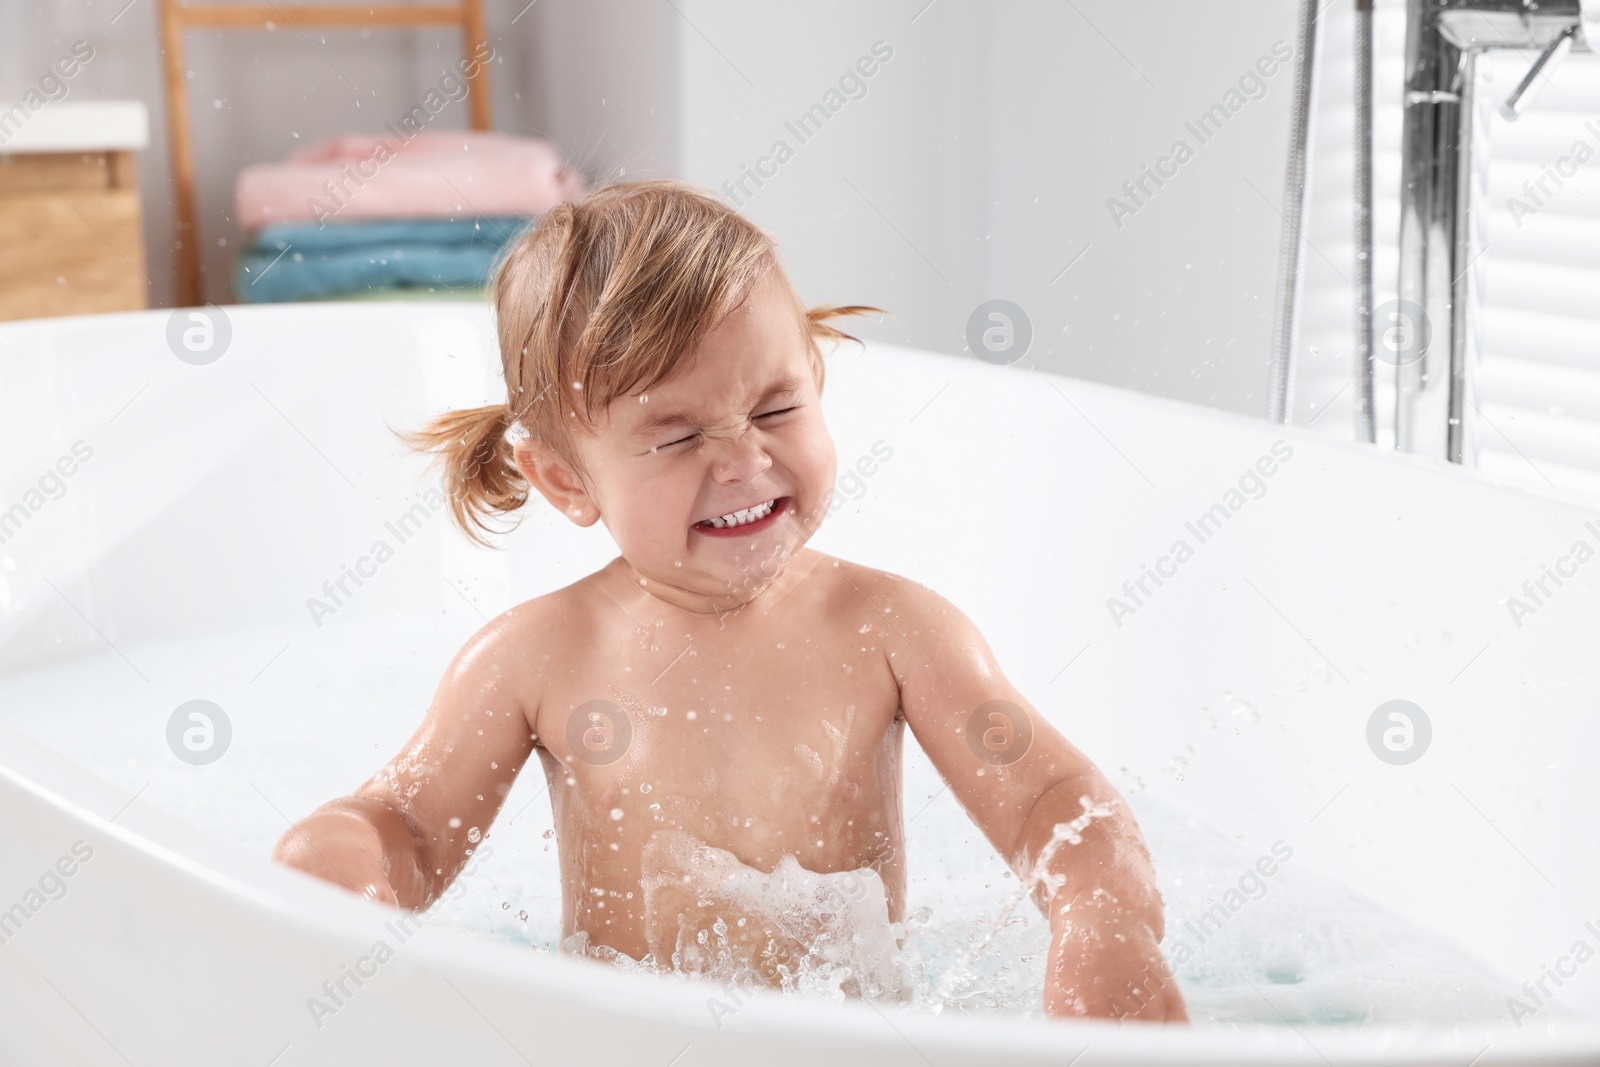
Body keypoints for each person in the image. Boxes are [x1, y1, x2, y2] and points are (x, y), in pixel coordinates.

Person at [272, 179, 1188, 1022]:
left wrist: (1103, 919)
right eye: (675, 437)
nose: (743, 459)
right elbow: (413, 829)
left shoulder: (893, 631)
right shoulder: (536, 656)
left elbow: (1050, 804)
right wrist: (343, 852)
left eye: (776, 409)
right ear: (563, 480)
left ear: (816, 382)